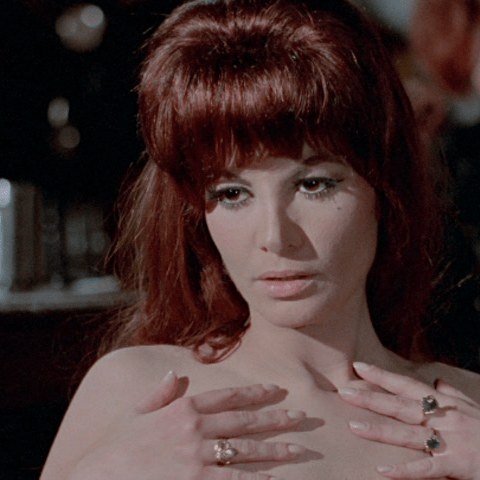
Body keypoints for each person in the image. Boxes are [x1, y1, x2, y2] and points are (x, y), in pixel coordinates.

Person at [40, 1, 480, 479]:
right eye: (231, 194)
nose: (275, 236)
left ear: (385, 188)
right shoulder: (136, 389)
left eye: (313, 184)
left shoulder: (466, 408)